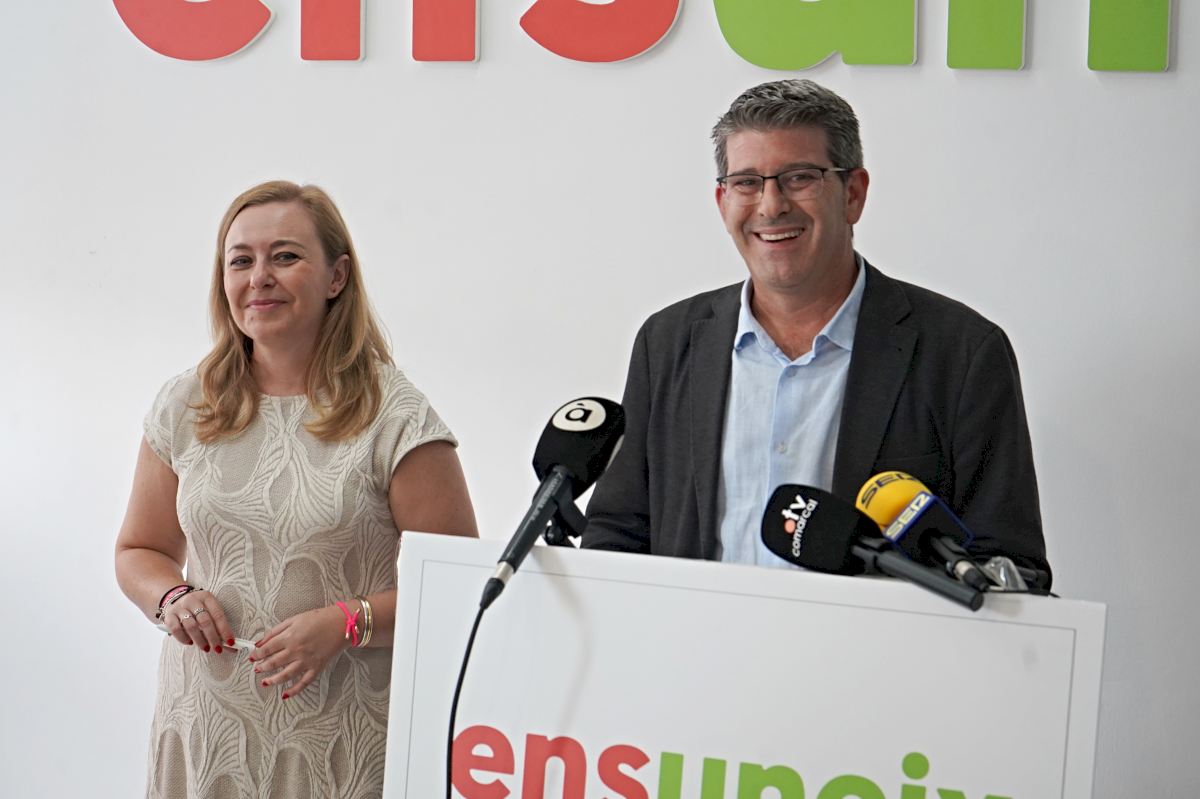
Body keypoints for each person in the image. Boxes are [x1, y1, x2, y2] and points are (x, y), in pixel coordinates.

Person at [582, 80, 1051, 581]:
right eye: (746, 182)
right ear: (722, 201)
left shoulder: (962, 353)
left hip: (875, 635)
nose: (771, 206)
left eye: (799, 178)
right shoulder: (668, 342)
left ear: (853, 195)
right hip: (693, 631)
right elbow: (617, 532)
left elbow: (1010, 568)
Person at [114, 180, 479, 798]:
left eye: (285, 256)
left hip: (341, 739)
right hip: (203, 727)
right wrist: (171, 596)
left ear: (337, 277)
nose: (259, 277)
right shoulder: (186, 403)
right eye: (241, 260)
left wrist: (347, 622)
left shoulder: (396, 416)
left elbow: (459, 586)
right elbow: (138, 550)